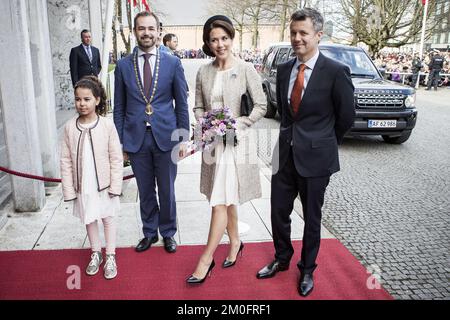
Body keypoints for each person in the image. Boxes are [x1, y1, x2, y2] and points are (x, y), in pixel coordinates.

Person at [256, 8, 355, 297]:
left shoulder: (336, 72)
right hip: (284, 155)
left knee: (312, 217)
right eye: (293, 33)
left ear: (318, 36)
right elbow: (286, 115)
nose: (297, 39)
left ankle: (307, 268)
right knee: (277, 212)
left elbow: (346, 116)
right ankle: (282, 258)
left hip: (316, 159)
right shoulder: (286, 68)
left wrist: (323, 142)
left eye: (303, 33)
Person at [186, 15, 267, 284]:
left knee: (218, 201)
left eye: (224, 38)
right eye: (214, 39)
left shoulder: (246, 69)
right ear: (208, 43)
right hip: (214, 147)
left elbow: (261, 105)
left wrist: (239, 123)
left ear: (231, 38)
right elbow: (198, 105)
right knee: (226, 197)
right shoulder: (204, 71)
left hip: (237, 146)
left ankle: (206, 258)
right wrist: (204, 123)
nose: (220, 43)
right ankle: (235, 243)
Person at [113, 11, 189, 254]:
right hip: (136, 139)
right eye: (141, 28)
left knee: (167, 190)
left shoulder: (173, 63)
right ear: (134, 31)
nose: (146, 33)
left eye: (150, 28)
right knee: (145, 190)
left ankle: (168, 233)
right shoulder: (123, 66)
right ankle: (149, 232)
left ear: (158, 31)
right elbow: (119, 107)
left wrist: (183, 138)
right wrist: (120, 141)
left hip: (166, 137)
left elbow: (182, 103)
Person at [60, 76, 123, 280]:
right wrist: (69, 190)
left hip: (104, 184)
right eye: (78, 99)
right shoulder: (70, 127)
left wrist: (115, 185)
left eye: (87, 99)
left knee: (107, 217)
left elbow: (116, 157)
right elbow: (66, 160)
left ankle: (110, 255)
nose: (82, 103)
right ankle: (95, 252)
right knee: (89, 217)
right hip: (83, 184)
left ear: (97, 100)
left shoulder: (106, 125)